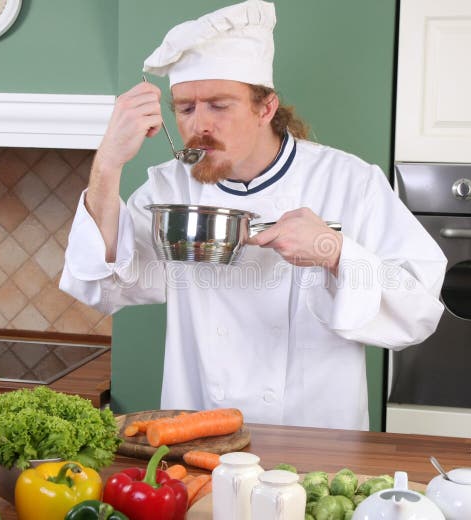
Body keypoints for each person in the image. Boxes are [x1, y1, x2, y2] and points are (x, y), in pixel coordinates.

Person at [60, 0, 446, 430]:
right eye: (185, 108)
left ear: (265, 109)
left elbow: (419, 310)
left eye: (218, 105)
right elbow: (101, 284)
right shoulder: (170, 187)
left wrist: (336, 252)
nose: (199, 125)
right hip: (198, 429)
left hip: (314, 436)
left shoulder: (350, 181)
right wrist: (109, 162)